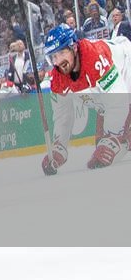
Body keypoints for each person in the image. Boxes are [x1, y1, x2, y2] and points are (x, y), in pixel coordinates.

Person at [39, 23, 131, 174]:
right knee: (101, 153)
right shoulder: (58, 78)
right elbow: (62, 115)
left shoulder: (95, 57)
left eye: (61, 53)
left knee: (109, 150)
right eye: (53, 56)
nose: (58, 61)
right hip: (107, 100)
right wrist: (58, 148)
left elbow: (119, 98)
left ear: (74, 47)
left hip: (127, 73)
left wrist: (112, 138)